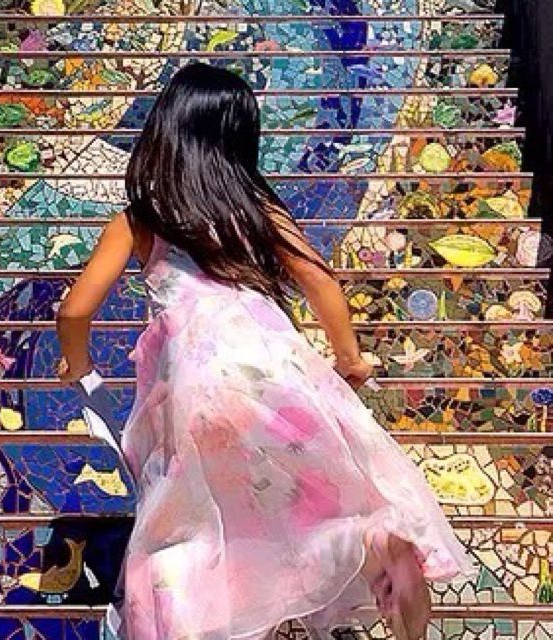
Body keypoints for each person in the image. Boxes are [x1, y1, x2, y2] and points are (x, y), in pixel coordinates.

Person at [56, 62, 476, 640]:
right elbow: (320, 280)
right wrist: (350, 361)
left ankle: (187, 618)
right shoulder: (256, 206)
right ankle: (368, 539)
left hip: (196, 386)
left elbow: (75, 310)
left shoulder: (140, 220)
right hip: (276, 371)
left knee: (192, 531)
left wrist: (78, 363)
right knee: (310, 503)